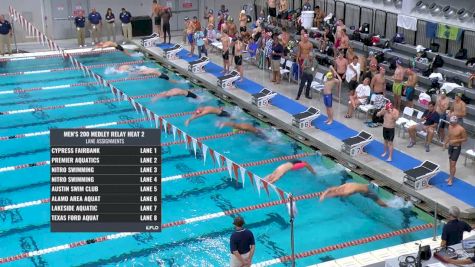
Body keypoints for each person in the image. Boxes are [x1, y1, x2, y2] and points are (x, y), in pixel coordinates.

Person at [320, 183, 388, 207]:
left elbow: (329, 189)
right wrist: (324, 196)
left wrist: (324, 196)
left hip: (364, 190)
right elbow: (332, 190)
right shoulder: (345, 191)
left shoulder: (340, 188)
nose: (335, 190)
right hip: (368, 193)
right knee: (382, 205)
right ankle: (390, 206)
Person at [444, 116, 467, 186]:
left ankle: (451, 179)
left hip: (457, 147)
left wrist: (456, 140)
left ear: (456, 122)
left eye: (452, 123)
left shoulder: (461, 129)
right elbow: (449, 136)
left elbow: (465, 139)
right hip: (450, 147)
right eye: (450, 122)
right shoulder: (450, 126)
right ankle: (450, 176)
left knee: (453, 164)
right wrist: (445, 143)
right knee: (450, 163)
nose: (451, 124)